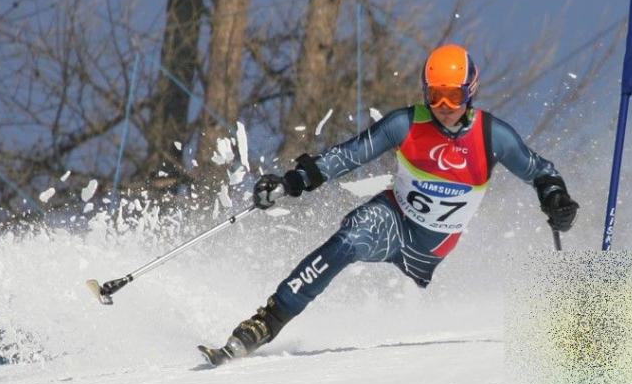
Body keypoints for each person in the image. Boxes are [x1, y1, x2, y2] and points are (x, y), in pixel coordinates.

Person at [199, 44, 579, 365]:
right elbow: (348, 156)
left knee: (372, 248)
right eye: (435, 96)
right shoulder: (406, 123)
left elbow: (540, 171)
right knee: (349, 239)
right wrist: (293, 181)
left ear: (471, 92)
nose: (444, 106)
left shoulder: (493, 135)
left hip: (431, 247)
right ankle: (266, 321)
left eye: (454, 96)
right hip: (394, 219)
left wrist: (555, 197)